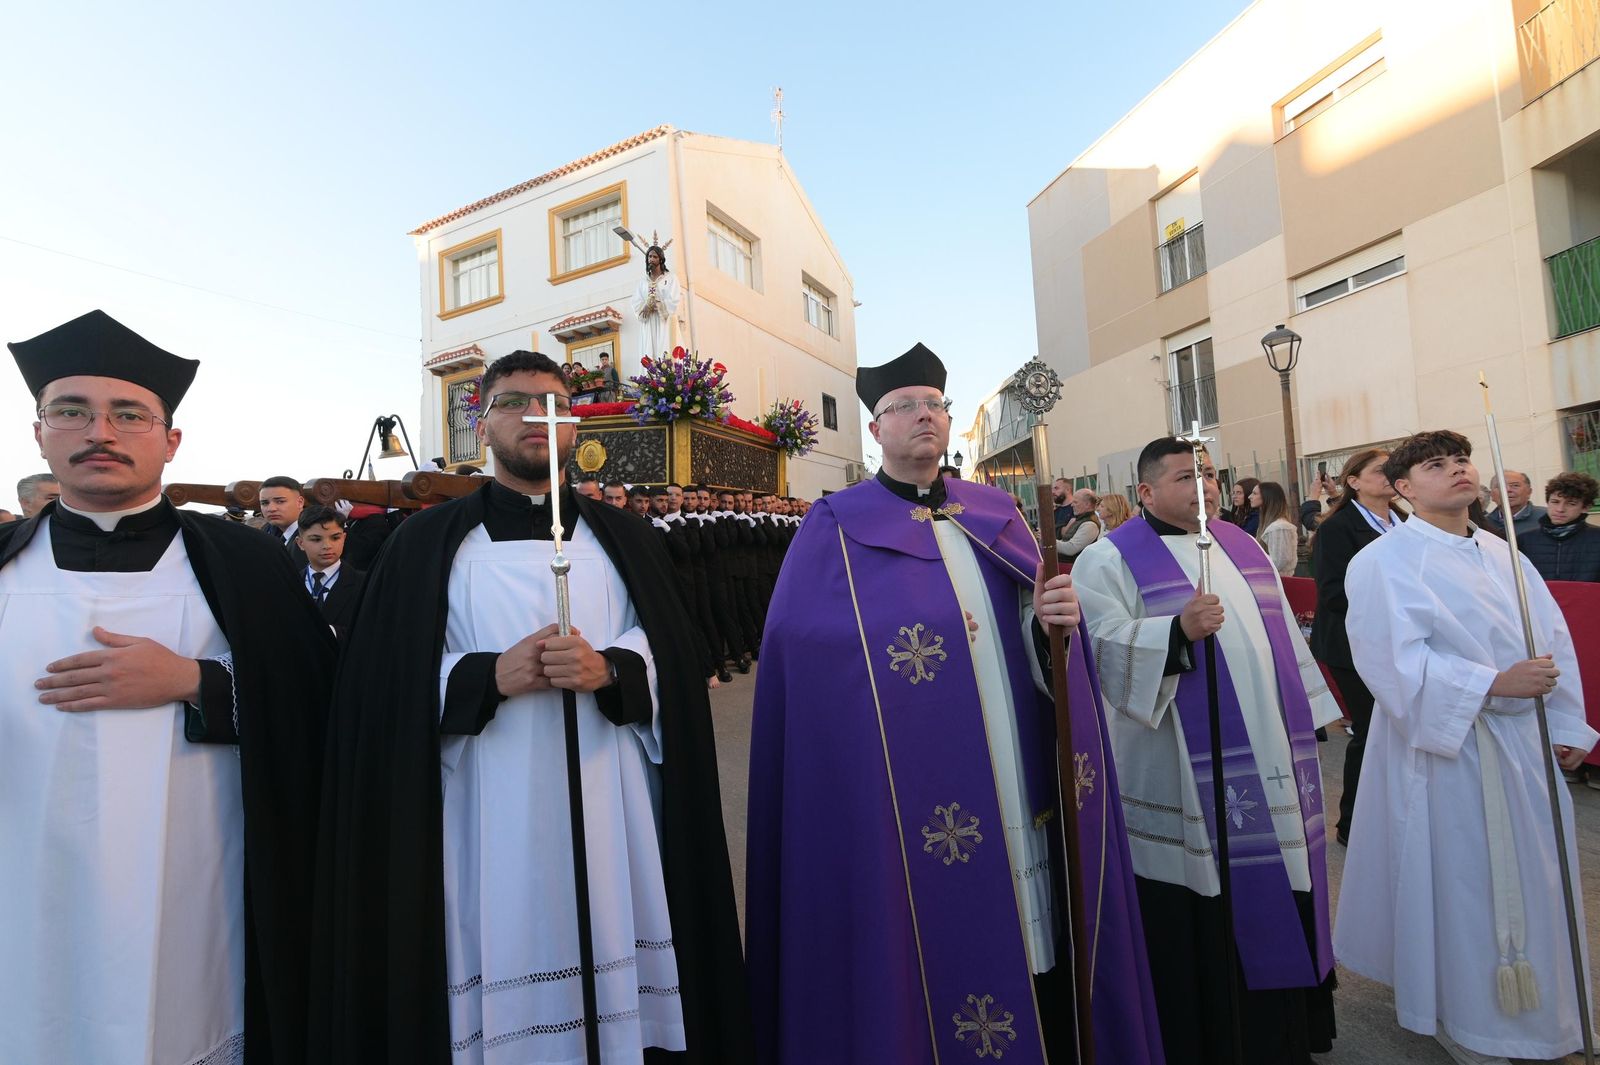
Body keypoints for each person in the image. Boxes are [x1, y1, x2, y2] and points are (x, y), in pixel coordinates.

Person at [309, 350, 751, 1064]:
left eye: (555, 404)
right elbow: (379, 685)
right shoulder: (427, 542)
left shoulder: (625, 538)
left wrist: (612, 668)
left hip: (612, 794)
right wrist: (486, 677)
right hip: (484, 803)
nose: (537, 416)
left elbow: (672, 650)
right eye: (514, 402)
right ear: (482, 424)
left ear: (575, 426)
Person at [748, 342, 1164, 1065]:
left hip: (1008, 756)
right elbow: (801, 644)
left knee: (1028, 916)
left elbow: (1036, 625)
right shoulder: (835, 524)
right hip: (903, 784)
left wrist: (1051, 623)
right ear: (875, 429)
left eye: (935, 404)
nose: (924, 416)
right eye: (904, 406)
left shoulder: (996, 513)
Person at [0, 309, 335, 1065]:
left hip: (196, 880)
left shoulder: (242, 561)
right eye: (72, 411)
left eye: (128, 414)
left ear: (170, 440)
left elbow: (321, 700)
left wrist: (194, 680)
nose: (101, 433)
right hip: (22, 876)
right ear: (39, 433)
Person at [1071, 436, 1341, 1064]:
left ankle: (1283, 1036)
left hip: (1268, 753)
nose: (1206, 487)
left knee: (1283, 872)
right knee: (1205, 894)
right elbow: (1099, 650)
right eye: (1185, 477)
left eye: (1211, 474)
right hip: (1176, 764)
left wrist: (1308, 714)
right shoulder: (1107, 558)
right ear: (1145, 492)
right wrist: (1175, 632)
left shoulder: (1243, 546)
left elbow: (1283, 641)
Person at [1338, 429, 1595, 1064]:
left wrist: (1566, 723)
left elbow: (1551, 638)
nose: (1456, 469)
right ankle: (1469, 1018)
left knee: (1538, 878)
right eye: (1435, 464)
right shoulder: (1384, 561)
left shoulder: (1505, 551)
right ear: (1403, 488)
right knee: (1465, 883)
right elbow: (1387, 660)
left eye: (1460, 459)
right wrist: (1492, 683)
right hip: (1450, 748)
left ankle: (1547, 1018)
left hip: (1523, 744)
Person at [1307, 448, 1399, 845]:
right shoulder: (1338, 528)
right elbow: (1333, 593)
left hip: (1399, 643)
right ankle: (1352, 823)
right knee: (1372, 728)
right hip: (1353, 646)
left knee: (1398, 730)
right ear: (1354, 481)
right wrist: (1395, 606)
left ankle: (1393, 813)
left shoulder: (1405, 521)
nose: (1389, 475)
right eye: (1380, 470)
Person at [295, 504, 366, 644]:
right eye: (316, 539)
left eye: (335, 538)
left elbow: (374, 632)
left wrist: (331, 632)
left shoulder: (364, 583)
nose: (327, 546)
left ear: (344, 538)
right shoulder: (290, 583)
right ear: (300, 543)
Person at [1518, 472, 1600, 583]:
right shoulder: (1524, 540)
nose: (1560, 509)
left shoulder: (1597, 538)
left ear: (1585, 507)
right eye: (1555, 502)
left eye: (1571, 503)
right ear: (1548, 502)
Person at [633, 243, 680, 363]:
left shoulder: (670, 278)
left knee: (665, 347)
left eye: (655, 257)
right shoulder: (643, 281)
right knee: (649, 351)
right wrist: (645, 306)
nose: (651, 259)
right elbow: (636, 301)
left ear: (661, 259)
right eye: (649, 256)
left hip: (664, 320)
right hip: (648, 322)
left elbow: (674, 299)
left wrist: (658, 305)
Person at [1252, 481, 1300, 577]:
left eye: (1254, 493)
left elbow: (1279, 562)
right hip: (1270, 580)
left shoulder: (1278, 527)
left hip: (1280, 581)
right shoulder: (1268, 525)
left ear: (1267, 497)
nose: (1250, 497)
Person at [259, 474, 308, 568]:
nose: (271, 509)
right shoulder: (265, 531)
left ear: (300, 502)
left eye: (280, 501)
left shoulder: (313, 534)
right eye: (264, 503)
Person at [1483, 470, 1546, 539]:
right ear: (1491, 495)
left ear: (1529, 492)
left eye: (1515, 485)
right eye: (1500, 486)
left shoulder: (1546, 517)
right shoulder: (1483, 523)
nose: (1507, 490)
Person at [1056, 488, 1101, 559]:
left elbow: (1071, 549)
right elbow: (1065, 542)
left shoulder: (1090, 525)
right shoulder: (1081, 520)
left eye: (1075, 502)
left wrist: (1048, 541)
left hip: (1072, 564)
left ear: (1087, 504)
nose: (1072, 505)